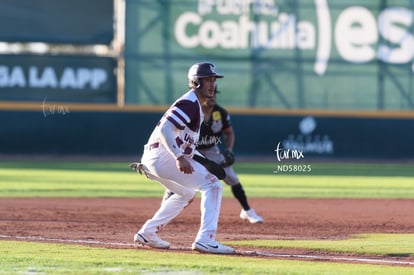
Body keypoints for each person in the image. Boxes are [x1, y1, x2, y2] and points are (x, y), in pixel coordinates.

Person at [130, 62, 235, 254]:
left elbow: (185, 145)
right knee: (213, 185)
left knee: (186, 193)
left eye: (213, 80)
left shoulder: (195, 105)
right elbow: (165, 130)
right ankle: (205, 239)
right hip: (163, 157)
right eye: (207, 80)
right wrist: (178, 156)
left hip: (155, 157)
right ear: (195, 82)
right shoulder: (190, 102)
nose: (212, 84)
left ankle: (148, 232)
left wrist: (206, 162)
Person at [196, 88, 264, 224]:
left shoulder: (220, 113)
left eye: (214, 94)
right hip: (192, 150)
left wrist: (229, 150)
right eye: (209, 94)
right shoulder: (194, 112)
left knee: (232, 178)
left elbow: (229, 133)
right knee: (180, 181)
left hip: (211, 150)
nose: (212, 96)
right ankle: (166, 207)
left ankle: (247, 211)